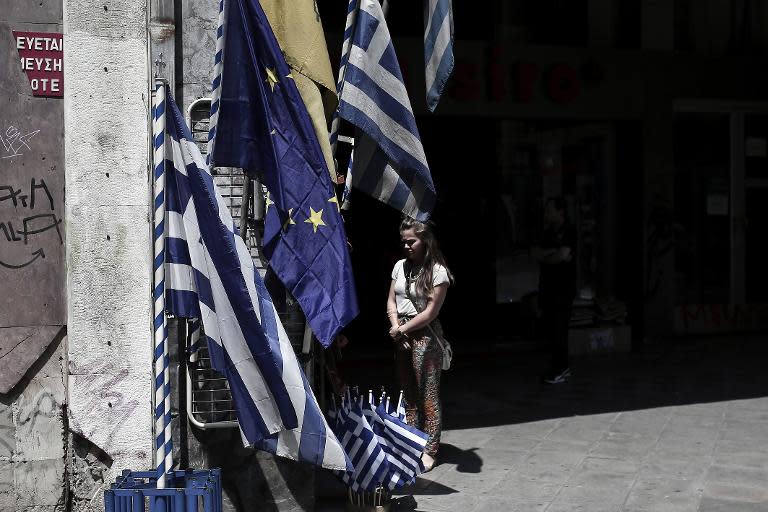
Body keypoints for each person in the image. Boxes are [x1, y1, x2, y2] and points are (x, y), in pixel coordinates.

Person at [386, 217, 453, 472]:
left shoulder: (437, 272)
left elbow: (430, 313)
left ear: (424, 241)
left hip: (424, 335)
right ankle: (410, 442)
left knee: (428, 394)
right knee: (407, 392)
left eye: (411, 241)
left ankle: (430, 449)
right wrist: (395, 326)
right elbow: (391, 300)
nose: (406, 246)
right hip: (400, 335)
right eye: (403, 242)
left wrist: (401, 329)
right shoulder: (399, 267)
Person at [532, 197, 577, 384]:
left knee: (560, 329)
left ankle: (560, 368)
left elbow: (562, 256)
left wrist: (549, 256)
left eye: (551, 210)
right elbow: (535, 252)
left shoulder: (570, 231)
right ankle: (560, 366)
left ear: (561, 212)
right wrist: (552, 255)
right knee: (551, 329)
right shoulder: (547, 232)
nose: (547, 214)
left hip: (564, 288)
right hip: (548, 287)